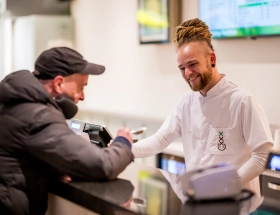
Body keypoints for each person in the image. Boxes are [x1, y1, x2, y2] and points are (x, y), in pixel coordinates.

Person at [132, 18, 273, 195]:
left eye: (192, 64)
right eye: (182, 68)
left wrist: (226, 185)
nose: (188, 73)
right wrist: (124, 149)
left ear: (211, 59)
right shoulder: (186, 103)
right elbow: (160, 140)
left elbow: (262, 156)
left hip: (235, 204)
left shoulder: (243, 101)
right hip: (197, 200)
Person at [0, 47, 134, 215]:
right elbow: (103, 165)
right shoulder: (39, 116)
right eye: (81, 87)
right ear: (58, 83)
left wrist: (57, 166)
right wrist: (123, 142)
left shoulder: (14, 102)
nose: (82, 96)